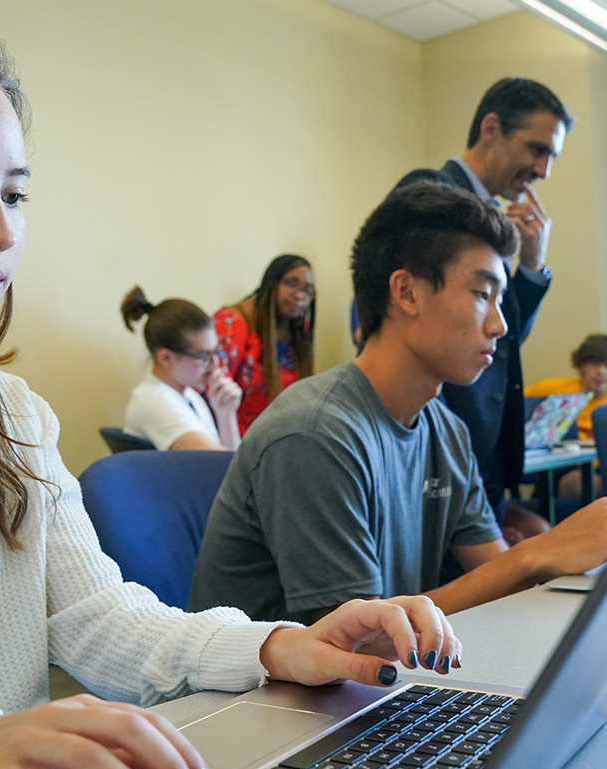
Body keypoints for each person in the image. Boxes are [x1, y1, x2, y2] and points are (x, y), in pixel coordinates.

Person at [0, 29, 462, 769]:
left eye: (14, 193)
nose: (1, 231)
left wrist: (276, 647)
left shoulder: (10, 416)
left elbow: (97, 617)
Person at [190, 181, 607, 627]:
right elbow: (358, 642)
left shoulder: (446, 431)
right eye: (483, 294)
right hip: (273, 693)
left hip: (380, 681)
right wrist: (533, 557)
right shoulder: (315, 433)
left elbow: (493, 579)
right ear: (406, 293)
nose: (500, 325)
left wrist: (551, 558)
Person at [393, 78, 575, 535]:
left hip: (481, 455)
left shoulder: (491, 213)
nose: (544, 169)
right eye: (537, 149)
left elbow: (500, 334)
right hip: (439, 445)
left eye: (551, 155)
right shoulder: (429, 192)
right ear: (491, 128)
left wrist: (531, 267)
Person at [120, 286, 241, 451]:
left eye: (216, 352)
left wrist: (226, 413)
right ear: (166, 358)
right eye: (204, 356)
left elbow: (231, 468)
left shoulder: (190, 396)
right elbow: (222, 468)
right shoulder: (153, 401)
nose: (214, 364)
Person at [213, 254, 314, 435]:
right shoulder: (232, 323)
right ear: (271, 284)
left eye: (307, 290)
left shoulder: (296, 330)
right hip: (232, 439)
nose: (300, 295)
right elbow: (213, 390)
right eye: (290, 284)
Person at [525, 333, 607, 497]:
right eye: (594, 363)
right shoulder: (553, 390)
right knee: (579, 481)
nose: (601, 371)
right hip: (562, 469)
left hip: (601, 468)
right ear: (581, 366)